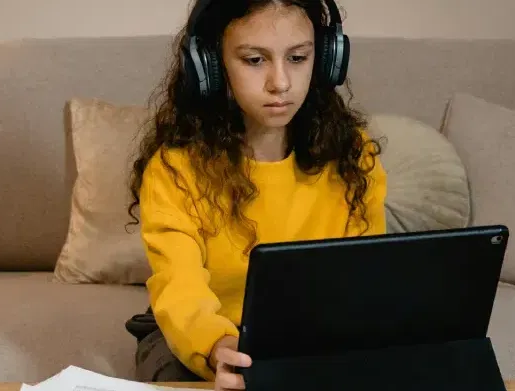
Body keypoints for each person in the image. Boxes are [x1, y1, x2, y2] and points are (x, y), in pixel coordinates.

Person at [123, 0, 386, 389]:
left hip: (310, 336)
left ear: (326, 60)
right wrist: (218, 346)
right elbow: (178, 285)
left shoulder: (353, 156)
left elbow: (366, 280)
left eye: (297, 57)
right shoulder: (175, 168)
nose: (280, 82)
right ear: (211, 65)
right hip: (200, 334)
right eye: (254, 60)